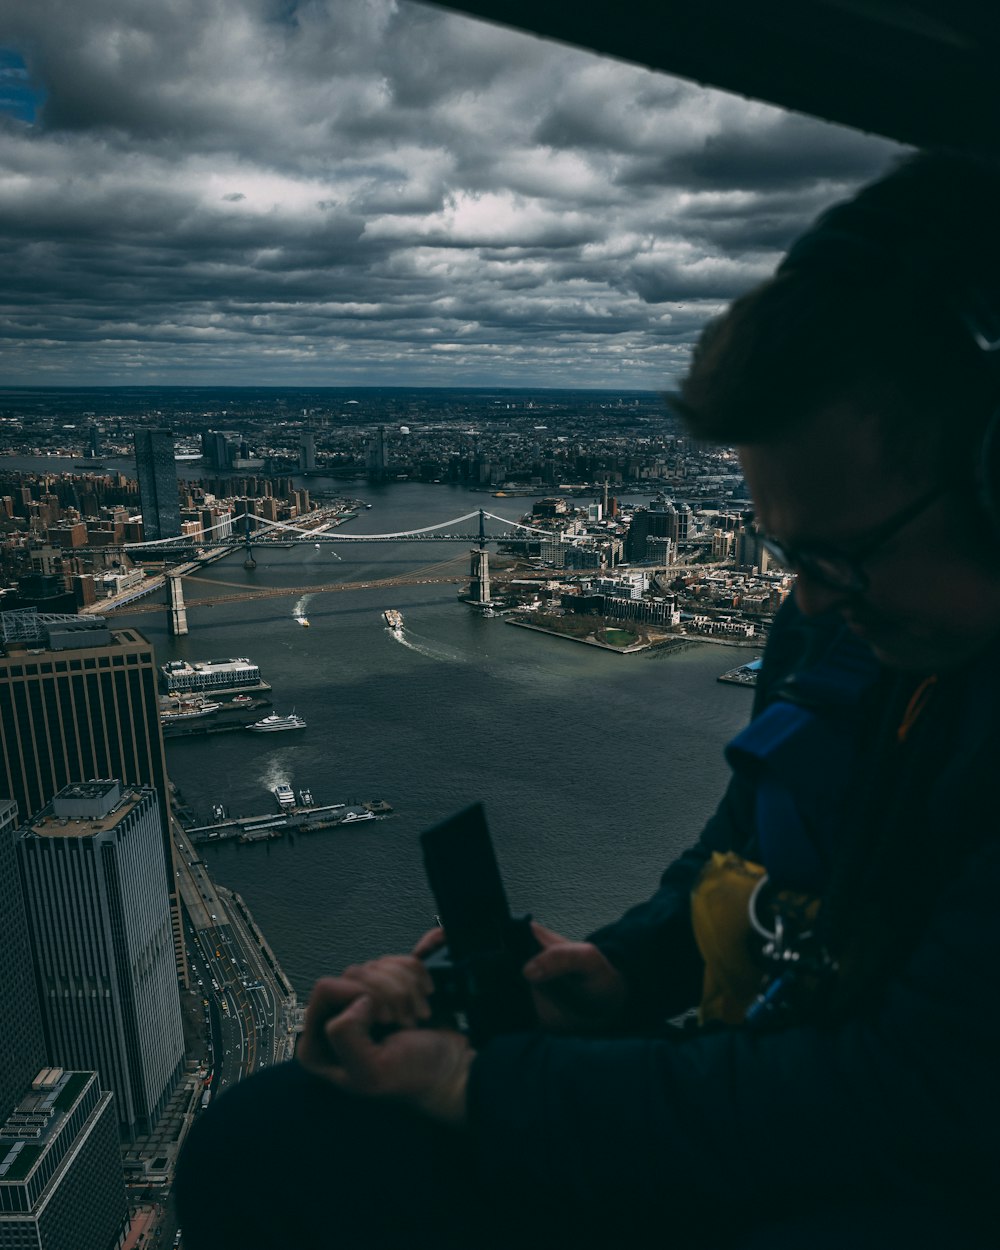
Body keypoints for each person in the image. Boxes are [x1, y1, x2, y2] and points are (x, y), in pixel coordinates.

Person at [175, 150, 1000, 1249]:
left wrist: (476, 1087)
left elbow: (902, 1101)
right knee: (263, 1140)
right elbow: (750, 844)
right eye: (786, 551)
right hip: (801, 1067)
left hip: (906, 1166)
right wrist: (621, 968)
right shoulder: (853, 624)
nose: (803, 599)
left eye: (843, 556)